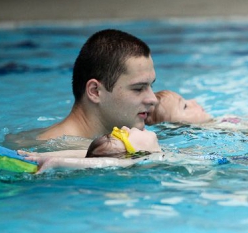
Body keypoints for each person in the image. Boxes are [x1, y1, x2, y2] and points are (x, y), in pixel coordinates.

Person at [9, 29, 159, 146]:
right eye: (138, 88)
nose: (153, 99)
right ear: (95, 91)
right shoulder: (56, 151)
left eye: (151, 86)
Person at [21, 126, 164, 173]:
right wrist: (56, 162)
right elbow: (109, 162)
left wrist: (40, 154)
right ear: (136, 153)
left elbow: (83, 154)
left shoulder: (149, 156)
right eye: (124, 135)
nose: (125, 128)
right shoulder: (148, 158)